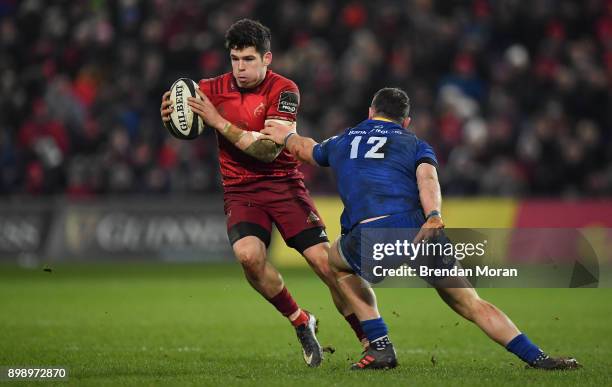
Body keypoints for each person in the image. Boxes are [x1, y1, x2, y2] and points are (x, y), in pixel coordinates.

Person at [260, 87, 581, 371]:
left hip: (374, 234)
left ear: (370, 112)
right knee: (470, 302)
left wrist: (285, 136)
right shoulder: (415, 143)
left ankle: (380, 346)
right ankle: (538, 357)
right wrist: (434, 215)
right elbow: (427, 179)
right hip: (420, 228)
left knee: (335, 262)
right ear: (405, 121)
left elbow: (307, 151)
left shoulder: (345, 139)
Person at [160, 19, 365, 368]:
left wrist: (218, 122)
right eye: (235, 59)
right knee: (249, 257)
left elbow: (269, 150)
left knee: (324, 264)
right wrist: (170, 113)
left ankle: (369, 339)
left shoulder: (284, 90)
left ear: (267, 58)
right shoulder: (210, 88)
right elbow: (181, 111)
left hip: (283, 183)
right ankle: (301, 321)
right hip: (240, 190)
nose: (240, 68)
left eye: (249, 60)